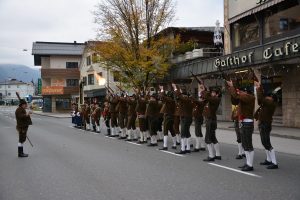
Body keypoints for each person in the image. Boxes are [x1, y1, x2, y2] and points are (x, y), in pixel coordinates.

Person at [227, 80, 255, 171]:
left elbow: (237, 96)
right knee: (245, 144)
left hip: (247, 123)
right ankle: (247, 163)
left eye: (242, 91)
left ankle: (250, 165)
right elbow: (234, 100)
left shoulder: (250, 97)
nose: (241, 93)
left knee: (248, 145)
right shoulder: (244, 98)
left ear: (247, 92)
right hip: (243, 122)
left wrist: (232, 86)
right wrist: (232, 90)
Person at [254, 81, 278, 169]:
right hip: (263, 124)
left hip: (266, 124)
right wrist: (259, 89)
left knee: (267, 143)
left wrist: (258, 88)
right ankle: (268, 159)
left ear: (272, 97)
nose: (267, 97)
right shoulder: (267, 103)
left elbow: (261, 99)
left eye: (268, 96)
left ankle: (274, 163)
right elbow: (261, 100)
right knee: (264, 142)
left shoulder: (271, 103)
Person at [200, 85, 221, 161]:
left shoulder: (216, 99)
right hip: (210, 120)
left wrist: (205, 89)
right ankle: (218, 155)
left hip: (211, 120)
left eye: (214, 92)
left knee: (207, 139)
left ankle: (211, 156)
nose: (212, 93)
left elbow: (207, 97)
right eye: (212, 92)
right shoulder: (210, 100)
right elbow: (204, 99)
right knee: (213, 138)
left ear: (217, 94)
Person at [173, 84, 193, 154]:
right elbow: (177, 98)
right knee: (187, 133)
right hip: (187, 117)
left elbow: (179, 96)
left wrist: (175, 88)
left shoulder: (186, 99)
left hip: (185, 118)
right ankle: (187, 148)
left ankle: (183, 149)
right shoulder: (188, 99)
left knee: (183, 134)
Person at [158, 86, 177, 151]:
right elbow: (163, 98)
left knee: (165, 131)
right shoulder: (171, 101)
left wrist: (162, 89)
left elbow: (163, 97)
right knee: (172, 130)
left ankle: (165, 146)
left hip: (168, 116)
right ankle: (174, 144)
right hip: (170, 116)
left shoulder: (170, 100)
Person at [231, 94, 245, 159]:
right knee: (239, 137)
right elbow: (233, 114)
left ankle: (244, 152)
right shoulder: (236, 106)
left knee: (243, 137)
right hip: (237, 122)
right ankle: (240, 152)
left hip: (242, 121)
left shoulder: (243, 104)